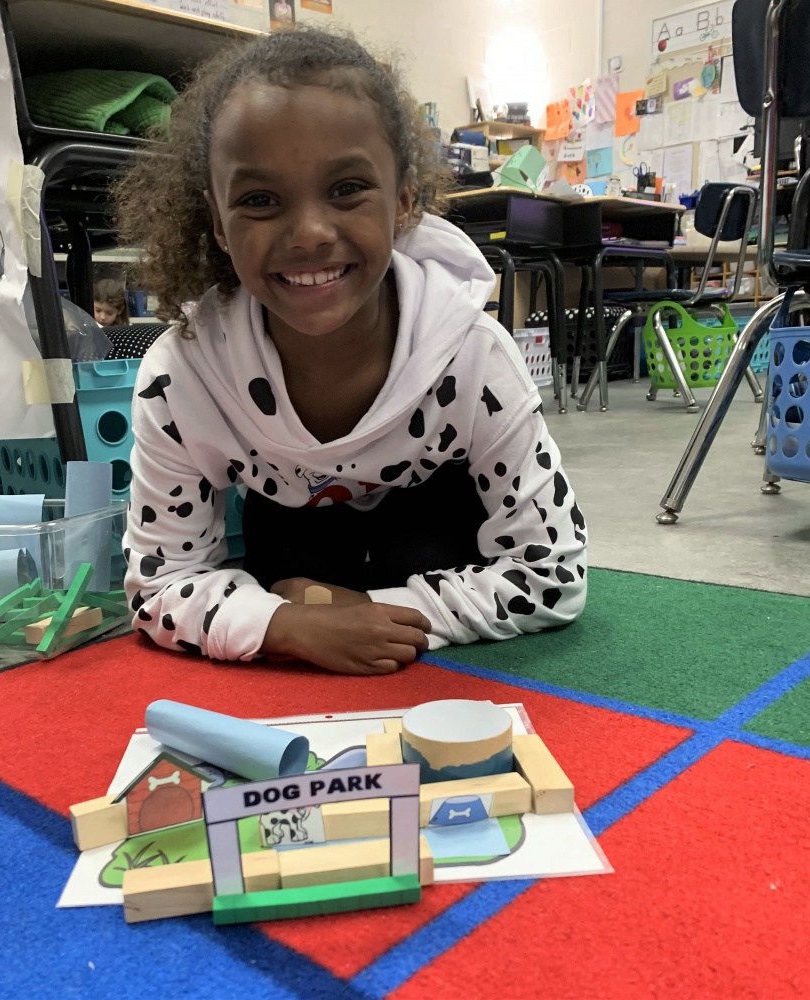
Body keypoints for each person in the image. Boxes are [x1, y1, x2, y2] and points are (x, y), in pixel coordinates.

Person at [115, 27, 587, 676]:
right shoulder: (181, 378)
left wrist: (371, 615)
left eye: (346, 189)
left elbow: (553, 573)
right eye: (259, 200)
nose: (309, 232)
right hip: (296, 544)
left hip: (435, 540)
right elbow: (160, 584)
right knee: (289, 551)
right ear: (218, 223)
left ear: (403, 201)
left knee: (415, 542)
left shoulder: (476, 358)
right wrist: (287, 624)